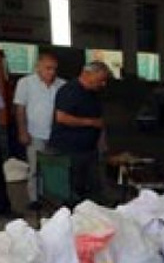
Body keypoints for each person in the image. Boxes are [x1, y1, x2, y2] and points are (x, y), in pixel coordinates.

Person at [48, 61, 110, 204]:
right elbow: (62, 117)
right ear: (87, 74)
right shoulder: (69, 90)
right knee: (72, 190)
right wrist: (90, 122)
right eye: (100, 79)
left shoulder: (94, 94)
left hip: (89, 149)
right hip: (69, 149)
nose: (103, 84)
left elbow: (100, 119)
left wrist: (102, 141)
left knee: (93, 188)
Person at [14, 51, 65, 211]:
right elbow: (20, 109)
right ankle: (34, 199)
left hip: (56, 134)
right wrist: (22, 131)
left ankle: (54, 198)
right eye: (48, 68)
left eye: (54, 69)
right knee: (35, 168)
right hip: (34, 132)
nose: (52, 72)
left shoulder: (62, 84)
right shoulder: (25, 83)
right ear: (38, 67)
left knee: (55, 167)